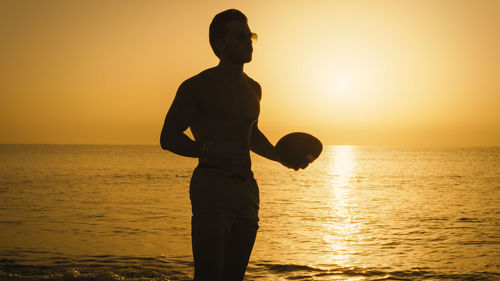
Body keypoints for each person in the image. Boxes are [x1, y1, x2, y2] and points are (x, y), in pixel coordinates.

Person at [160, 9, 308, 281]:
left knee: (234, 276)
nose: (248, 41)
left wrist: (280, 156)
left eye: (250, 35)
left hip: (247, 188)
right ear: (219, 45)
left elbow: (251, 134)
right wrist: (203, 150)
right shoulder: (197, 86)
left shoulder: (254, 89)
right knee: (209, 274)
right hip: (212, 186)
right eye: (240, 36)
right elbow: (167, 137)